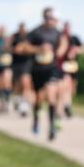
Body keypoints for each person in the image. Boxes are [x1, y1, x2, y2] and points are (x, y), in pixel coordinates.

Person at [27, 8, 66, 141]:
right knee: (38, 99)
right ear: (44, 18)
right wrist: (38, 49)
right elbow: (23, 48)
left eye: (53, 18)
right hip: (37, 69)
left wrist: (60, 51)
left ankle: (51, 126)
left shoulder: (57, 33)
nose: (51, 21)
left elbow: (63, 44)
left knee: (51, 96)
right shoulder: (35, 32)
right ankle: (36, 118)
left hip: (51, 68)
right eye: (49, 18)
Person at [59, 21, 83, 119]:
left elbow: (82, 49)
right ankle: (67, 106)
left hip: (73, 66)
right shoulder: (61, 38)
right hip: (63, 66)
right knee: (66, 85)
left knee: (72, 88)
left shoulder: (75, 38)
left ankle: (68, 104)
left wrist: (75, 50)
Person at [10, 22, 34, 117]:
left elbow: (32, 48)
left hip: (27, 63)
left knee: (26, 83)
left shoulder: (30, 37)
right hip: (16, 63)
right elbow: (9, 47)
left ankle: (24, 106)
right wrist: (16, 49)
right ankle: (17, 99)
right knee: (17, 85)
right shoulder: (14, 37)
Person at [0, 24, 14, 114]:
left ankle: (6, 101)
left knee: (7, 82)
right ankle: (1, 102)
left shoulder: (9, 41)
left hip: (7, 66)